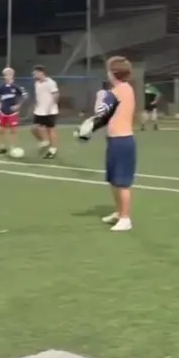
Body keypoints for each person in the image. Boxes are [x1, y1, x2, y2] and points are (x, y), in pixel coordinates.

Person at [76, 57, 136, 232]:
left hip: (122, 141)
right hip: (115, 140)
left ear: (113, 73)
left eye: (109, 70)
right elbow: (107, 118)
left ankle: (125, 218)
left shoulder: (117, 91)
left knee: (122, 182)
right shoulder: (124, 89)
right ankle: (119, 213)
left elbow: (101, 112)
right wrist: (88, 130)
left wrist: (100, 98)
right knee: (114, 180)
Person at [31, 65, 59, 159]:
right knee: (34, 128)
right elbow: (39, 96)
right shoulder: (36, 83)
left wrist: (51, 106)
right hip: (39, 110)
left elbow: (56, 94)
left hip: (50, 111)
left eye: (35, 73)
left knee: (51, 129)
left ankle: (53, 149)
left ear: (41, 72)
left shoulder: (51, 82)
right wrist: (36, 105)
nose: (34, 75)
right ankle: (45, 141)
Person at [0, 68, 23, 155]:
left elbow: (24, 96)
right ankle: (2, 147)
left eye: (9, 74)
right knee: (1, 130)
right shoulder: (1, 87)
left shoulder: (16, 87)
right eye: (6, 74)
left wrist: (18, 105)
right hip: (3, 112)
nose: (7, 76)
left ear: (12, 75)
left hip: (12, 113)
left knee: (13, 130)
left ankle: (13, 147)